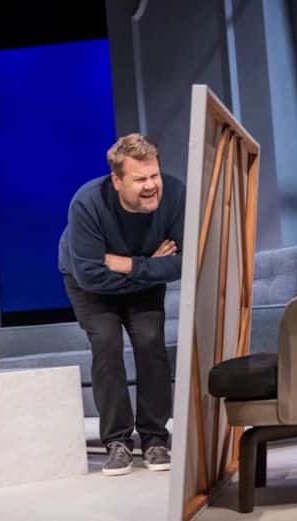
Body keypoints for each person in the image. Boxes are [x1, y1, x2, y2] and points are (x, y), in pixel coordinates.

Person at [58, 133, 185, 475]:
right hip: (89, 287)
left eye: (154, 175)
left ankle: (155, 438)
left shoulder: (175, 194)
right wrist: (150, 266)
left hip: (138, 275)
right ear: (117, 180)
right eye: (140, 179)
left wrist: (129, 264)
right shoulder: (87, 204)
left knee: (150, 341)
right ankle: (117, 441)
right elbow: (90, 276)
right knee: (106, 343)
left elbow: (185, 261)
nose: (151, 185)